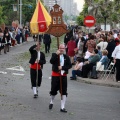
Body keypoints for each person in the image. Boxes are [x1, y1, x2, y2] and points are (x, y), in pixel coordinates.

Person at [49, 44, 72, 113]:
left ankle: (62, 107)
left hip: (63, 75)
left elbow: (69, 65)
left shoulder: (66, 57)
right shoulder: (54, 55)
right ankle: (51, 101)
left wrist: (62, 67)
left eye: (63, 48)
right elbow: (51, 61)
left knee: (63, 91)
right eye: (60, 48)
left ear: (64, 49)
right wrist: (56, 55)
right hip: (55, 75)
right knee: (53, 90)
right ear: (58, 48)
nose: (62, 49)